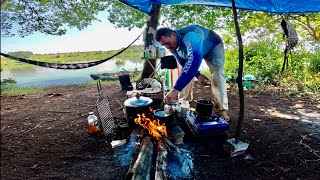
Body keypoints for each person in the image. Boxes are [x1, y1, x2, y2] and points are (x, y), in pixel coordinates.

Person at [155, 24, 230, 120]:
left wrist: (175, 89)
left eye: (167, 43)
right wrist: (198, 75)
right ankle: (183, 104)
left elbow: (194, 61)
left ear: (173, 34)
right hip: (194, 53)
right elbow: (183, 62)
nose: (167, 46)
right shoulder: (172, 46)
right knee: (185, 72)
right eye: (164, 45)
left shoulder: (191, 35)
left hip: (212, 46)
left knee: (217, 73)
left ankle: (222, 111)